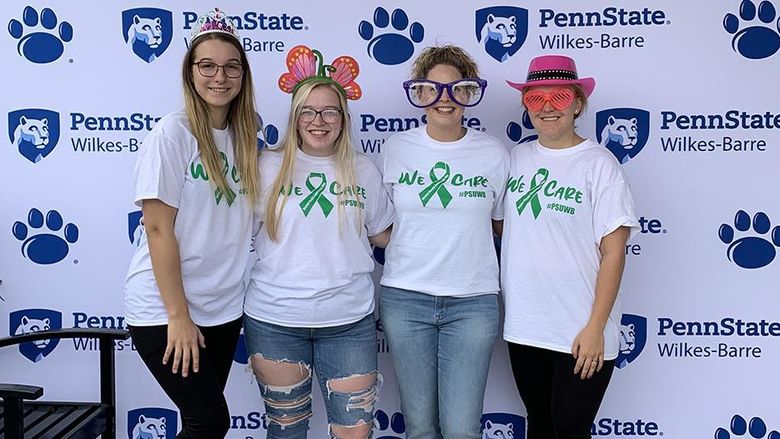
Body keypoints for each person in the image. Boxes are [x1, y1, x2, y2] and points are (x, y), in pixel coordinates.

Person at [243, 45, 393, 439]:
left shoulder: (363, 169)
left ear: (343, 119)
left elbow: (383, 234)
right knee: (287, 431)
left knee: (353, 434)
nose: (319, 120)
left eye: (330, 111)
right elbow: (228, 232)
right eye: (307, 111)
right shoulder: (266, 167)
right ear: (294, 119)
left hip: (348, 322)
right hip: (276, 320)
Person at [123, 8, 259, 438]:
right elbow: (158, 229)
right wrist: (178, 316)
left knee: (199, 423)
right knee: (209, 421)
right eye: (207, 66)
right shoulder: (172, 135)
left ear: (243, 74)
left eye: (231, 66)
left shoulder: (246, 137)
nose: (220, 76)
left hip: (221, 307)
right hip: (166, 309)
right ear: (190, 72)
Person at [502, 55, 639, 439]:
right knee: (540, 426)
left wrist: (595, 327)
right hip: (527, 327)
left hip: (581, 331)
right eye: (535, 99)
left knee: (570, 430)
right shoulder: (516, 159)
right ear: (526, 106)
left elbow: (614, 252)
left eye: (559, 97)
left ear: (578, 104)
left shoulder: (600, 165)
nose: (547, 107)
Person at [379, 45, 509, 439]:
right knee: (419, 426)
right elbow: (380, 224)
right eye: (432, 89)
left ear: (470, 94)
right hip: (406, 298)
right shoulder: (396, 150)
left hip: (472, 302)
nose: (445, 98)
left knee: (462, 428)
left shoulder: (493, 154)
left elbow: (501, 227)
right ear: (418, 95)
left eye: (456, 89)